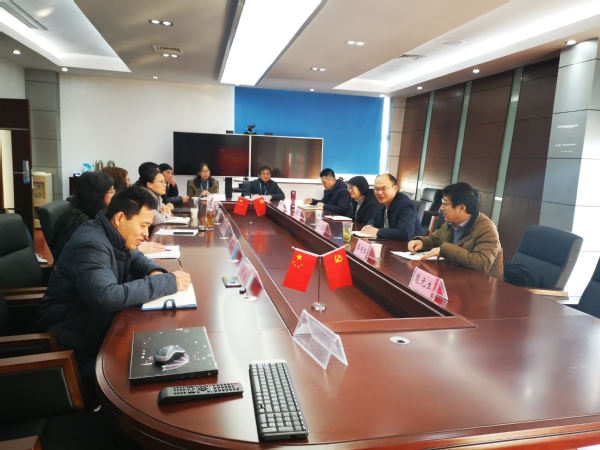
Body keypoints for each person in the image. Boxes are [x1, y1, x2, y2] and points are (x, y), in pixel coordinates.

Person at [37, 186, 191, 377]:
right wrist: (166, 282)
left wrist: (156, 271)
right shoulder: (91, 244)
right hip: (77, 346)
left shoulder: (111, 233)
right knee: (152, 373)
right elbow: (106, 297)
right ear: (119, 218)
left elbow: (135, 256)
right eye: (143, 225)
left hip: (98, 326)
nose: (146, 233)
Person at [408, 182, 504, 279]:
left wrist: (444, 250)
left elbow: (482, 264)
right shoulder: (451, 222)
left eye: (445, 203)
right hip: (455, 276)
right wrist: (422, 242)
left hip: (481, 283)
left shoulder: (486, 229)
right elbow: (435, 239)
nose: (441, 208)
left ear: (462, 208)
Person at [49, 171, 116, 262]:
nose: (114, 195)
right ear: (97, 194)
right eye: (111, 191)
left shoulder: (93, 213)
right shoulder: (79, 221)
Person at [361, 173, 422, 241]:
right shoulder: (383, 201)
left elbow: (405, 233)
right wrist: (369, 226)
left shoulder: (405, 205)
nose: (380, 193)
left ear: (395, 188)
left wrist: (378, 232)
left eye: (384, 189)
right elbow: (374, 219)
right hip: (388, 242)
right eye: (376, 189)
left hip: (408, 245)